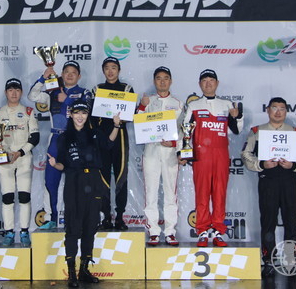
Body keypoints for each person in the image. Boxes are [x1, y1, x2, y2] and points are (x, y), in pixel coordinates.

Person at [47, 100, 119, 287]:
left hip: (93, 181)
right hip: (74, 182)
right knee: (73, 226)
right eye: (77, 113)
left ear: (88, 115)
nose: (80, 117)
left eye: (84, 113)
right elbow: (62, 165)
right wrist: (55, 164)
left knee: (90, 225)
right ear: (71, 114)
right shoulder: (64, 137)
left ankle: (84, 269)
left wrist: (116, 125)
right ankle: (72, 272)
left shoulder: (95, 133)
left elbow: (109, 144)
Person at [242, 97, 296, 276]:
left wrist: (294, 166)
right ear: (268, 110)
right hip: (268, 180)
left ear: (286, 111)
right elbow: (246, 154)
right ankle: (268, 259)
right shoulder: (257, 131)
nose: (278, 112)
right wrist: (261, 164)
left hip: (289, 180)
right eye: (274, 108)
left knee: (291, 220)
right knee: (268, 220)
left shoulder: (294, 132)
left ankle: (291, 258)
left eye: (282, 108)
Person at [182, 69, 243, 248]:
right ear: (199, 84)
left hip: (221, 155)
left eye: (211, 80)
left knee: (219, 193)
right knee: (202, 193)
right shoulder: (194, 106)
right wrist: (184, 153)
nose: (208, 83)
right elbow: (186, 132)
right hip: (201, 156)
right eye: (204, 81)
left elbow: (236, 130)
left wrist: (237, 116)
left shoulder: (227, 104)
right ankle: (202, 231)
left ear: (217, 83)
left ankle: (217, 230)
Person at [28, 60, 92, 230]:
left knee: (78, 181)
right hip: (56, 139)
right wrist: (43, 78)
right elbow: (32, 96)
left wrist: (67, 100)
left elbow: (88, 110)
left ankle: (79, 217)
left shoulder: (84, 92)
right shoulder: (52, 92)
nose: (70, 75)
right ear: (62, 75)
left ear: (79, 76)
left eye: (73, 72)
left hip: (76, 139)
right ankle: (50, 218)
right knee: (51, 180)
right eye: (66, 72)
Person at [0, 78, 40, 247]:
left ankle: (24, 231)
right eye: (10, 90)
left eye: (17, 90)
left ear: (21, 92)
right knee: (7, 197)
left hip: (23, 158)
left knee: (24, 196)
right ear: (6, 92)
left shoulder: (28, 111)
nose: (14, 93)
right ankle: (9, 232)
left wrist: (21, 152)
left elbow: (35, 136)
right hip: (5, 159)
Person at [136, 66, 182, 246]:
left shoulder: (178, 104)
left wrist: (175, 145)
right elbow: (138, 123)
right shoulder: (148, 100)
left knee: (171, 193)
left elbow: (184, 131)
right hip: (151, 152)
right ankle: (153, 231)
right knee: (151, 193)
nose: (162, 81)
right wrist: (142, 106)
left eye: (165, 78)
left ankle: (170, 232)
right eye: (158, 78)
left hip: (170, 153)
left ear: (171, 81)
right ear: (154, 81)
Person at [91, 56, 134, 231]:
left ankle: (120, 217)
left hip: (120, 138)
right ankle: (106, 217)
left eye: (113, 67)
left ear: (119, 70)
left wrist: (119, 121)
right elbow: (92, 117)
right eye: (107, 68)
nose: (110, 71)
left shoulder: (127, 89)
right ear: (103, 70)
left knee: (121, 176)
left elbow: (130, 115)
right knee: (102, 178)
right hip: (102, 139)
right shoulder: (97, 89)